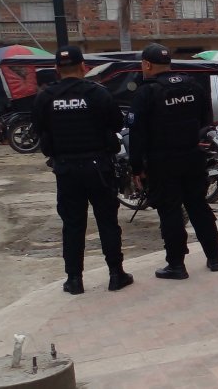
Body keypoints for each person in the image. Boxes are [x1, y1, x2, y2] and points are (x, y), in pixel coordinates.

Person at [32, 46, 133, 295]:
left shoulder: (45, 98)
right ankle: (115, 274)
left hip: (66, 169)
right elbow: (117, 124)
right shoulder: (98, 94)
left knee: (73, 224)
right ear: (83, 67)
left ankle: (74, 280)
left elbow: (40, 131)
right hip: (99, 167)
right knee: (107, 222)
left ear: (57, 69)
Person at [129, 43, 218, 280]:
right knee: (198, 206)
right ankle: (214, 257)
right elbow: (205, 120)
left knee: (170, 212)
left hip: (163, 161)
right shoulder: (192, 85)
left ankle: (176, 264)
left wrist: (136, 168)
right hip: (192, 156)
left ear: (147, 65)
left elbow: (137, 134)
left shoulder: (146, 92)